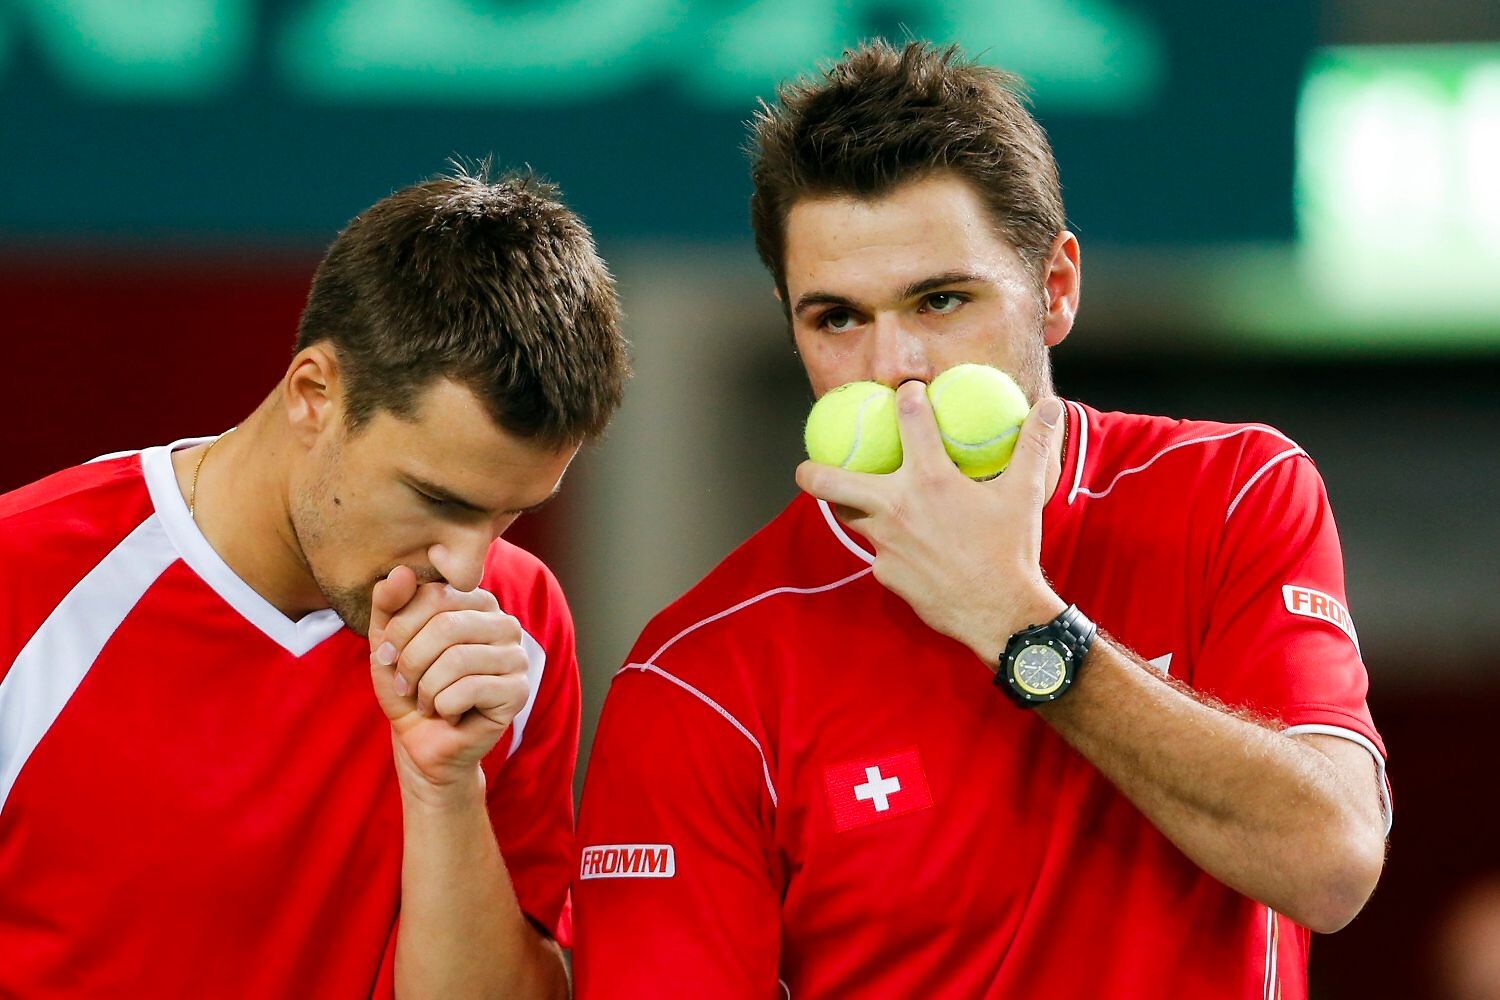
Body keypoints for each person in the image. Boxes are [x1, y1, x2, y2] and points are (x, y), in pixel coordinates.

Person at [573, 40, 1388, 998]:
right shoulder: (698, 674)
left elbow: (1330, 863)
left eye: (941, 300)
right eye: (837, 318)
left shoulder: (1231, 491)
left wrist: (1015, 621)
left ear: (1056, 290)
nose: (893, 367)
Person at [0, 167, 629, 997]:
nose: (468, 566)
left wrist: (445, 787)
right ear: (314, 394)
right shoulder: (25, 580)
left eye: (510, 513)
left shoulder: (515, 622)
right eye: (436, 499)